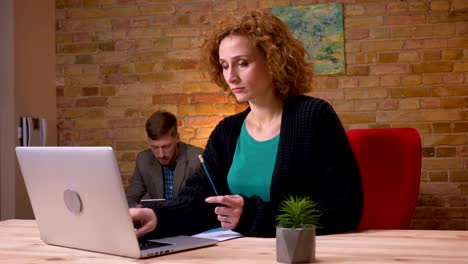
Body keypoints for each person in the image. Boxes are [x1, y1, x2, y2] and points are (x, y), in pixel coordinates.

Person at [130, 9, 362, 238]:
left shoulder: (313, 117)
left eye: (242, 63)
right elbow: (201, 200)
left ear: (273, 62)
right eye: (224, 65)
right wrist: (157, 216)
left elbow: (344, 208)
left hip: (300, 254)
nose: (230, 77)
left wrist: (253, 215)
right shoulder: (226, 131)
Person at [126, 110, 203, 207]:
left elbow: (205, 201)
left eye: (166, 146)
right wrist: (136, 208)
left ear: (177, 138)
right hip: (156, 220)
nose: (161, 154)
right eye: (155, 147)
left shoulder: (197, 158)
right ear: (148, 141)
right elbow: (130, 198)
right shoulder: (143, 159)